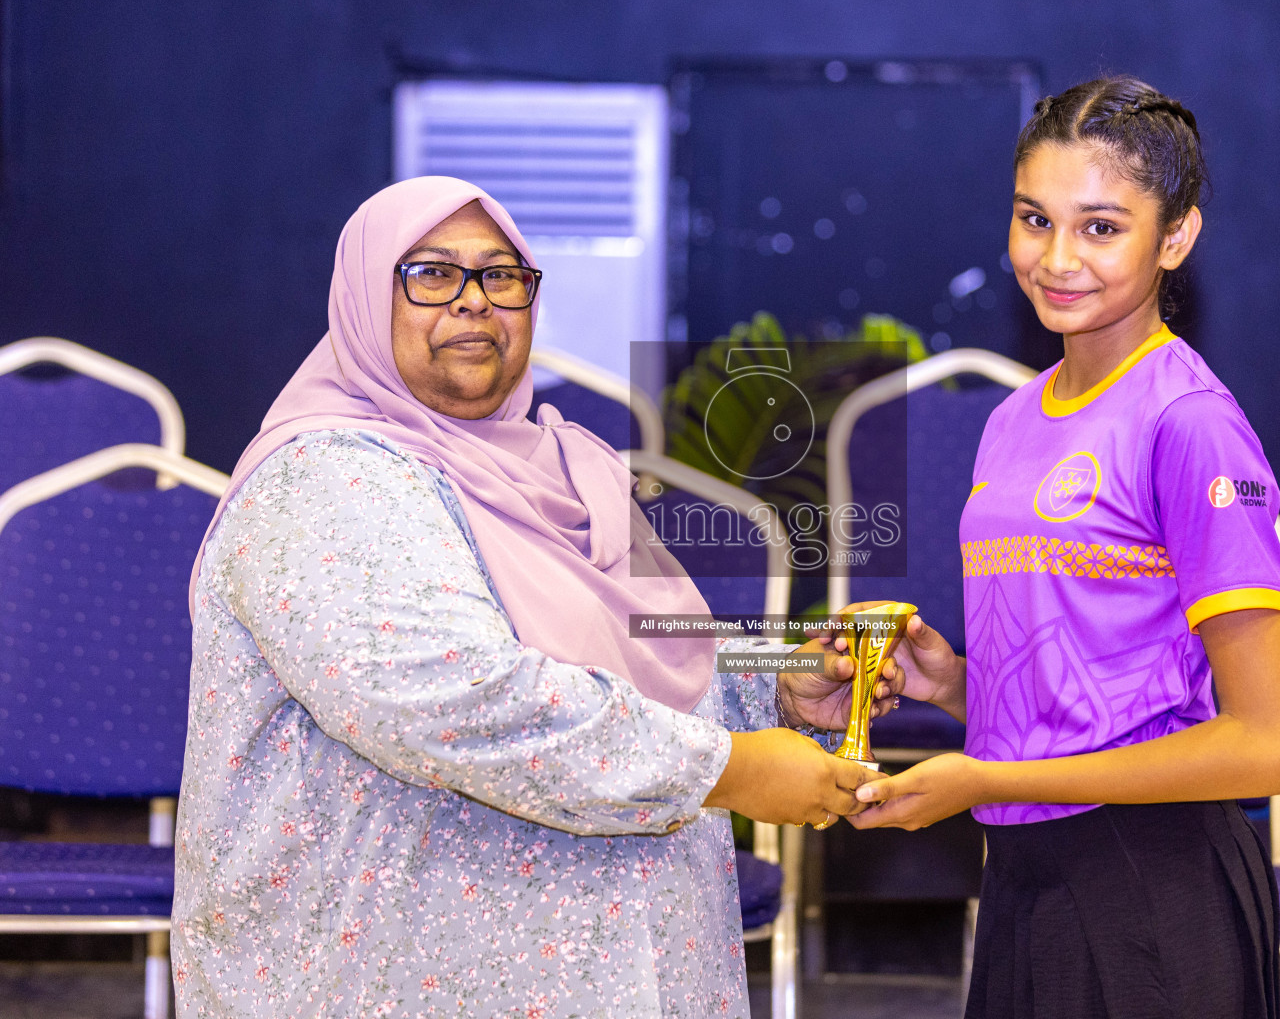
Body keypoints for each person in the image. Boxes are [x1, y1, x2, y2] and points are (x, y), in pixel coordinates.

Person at [170, 176, 896, 1018]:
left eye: (502, 276)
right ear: (368, 299)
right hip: (391, 976)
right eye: (432, 274)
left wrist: (776, 686)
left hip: (620, 966)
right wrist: (725, 769)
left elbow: (646, 660)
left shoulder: (563, 468)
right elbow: (451, 697)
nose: (474, 303)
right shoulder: (327, 479)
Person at [847, 77, 1280, 1019]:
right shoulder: (1016, 415)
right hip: (1026, 875)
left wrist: (991, 778)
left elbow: (1272, 745)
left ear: (1174, 236)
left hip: (1156, 890)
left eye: (1101, 227)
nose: (1057, 259)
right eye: (1033, 219)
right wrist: (952, 686)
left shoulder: (1188, 423)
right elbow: (1095, 700)